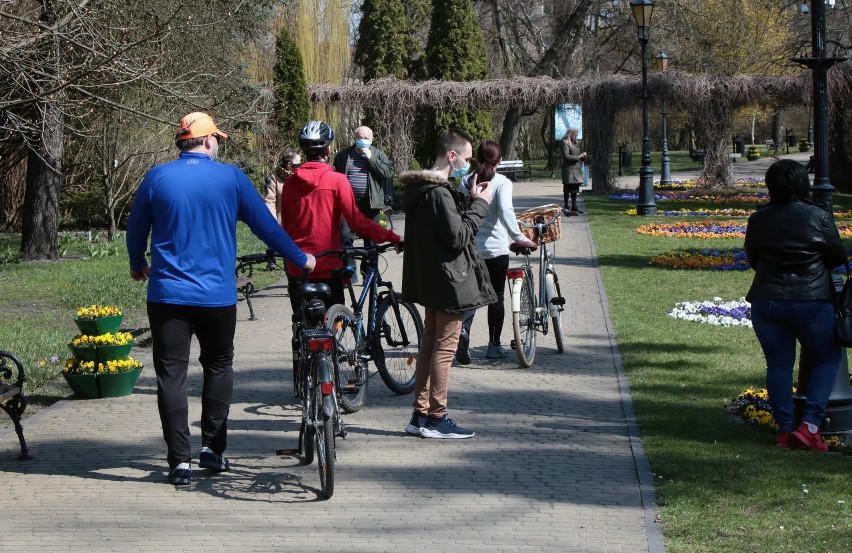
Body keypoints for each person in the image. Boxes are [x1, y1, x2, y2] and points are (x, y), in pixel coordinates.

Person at [126, 112, 316, 486]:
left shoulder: (157, 177)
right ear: (209, 140)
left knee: (171, 375)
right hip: (216, 297)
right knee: (218, 366)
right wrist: (300, 258)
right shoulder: (230, 177)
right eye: (218, 139)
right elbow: (266, 226)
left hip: (168, 295)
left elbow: (135, 228)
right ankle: (213, 450)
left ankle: (179, 462)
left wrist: (137, 263)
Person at [400, 128, 497, 439]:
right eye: (466, 159)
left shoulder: (421, 188)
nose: (468, 164)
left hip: (432, 279)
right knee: (444, 349)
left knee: (429, 346)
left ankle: (420, 415)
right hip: (449, 281)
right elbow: (458, 237)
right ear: (452, 155)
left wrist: (467, 199)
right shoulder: (438, 193)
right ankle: (436, 417)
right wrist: (480, 204)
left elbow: (445, 231)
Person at [744, 159, 846, 452]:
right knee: (827, 359)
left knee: (778, 365)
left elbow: (753, 258)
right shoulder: (818, 215)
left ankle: (786, 429)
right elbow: (837, 255)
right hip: (811, 300)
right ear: (803, 184)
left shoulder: (758, 218)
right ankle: (810, 425)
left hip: (767, 301)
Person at [280, 120, 401, 314]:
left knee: (301, 325)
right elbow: (355, 220)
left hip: (299, 266)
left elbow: (286, 226)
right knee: (335, 325)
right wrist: (392, 237)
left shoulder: (290, 184)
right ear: (327, 151)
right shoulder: (338, 180)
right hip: (329, 266)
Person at [455, 141, 537, 364]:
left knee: (471, 296)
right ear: (499, 161)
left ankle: (463, 334)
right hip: (496, 250)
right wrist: (519, 237)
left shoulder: (465, 180)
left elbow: (460, 212)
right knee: (496, 297)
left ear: (478, 158)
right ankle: (493, 345)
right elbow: (505, 211)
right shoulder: (502, 182)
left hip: (471, 248)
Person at [333, 125, 394, 278]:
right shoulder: (344, 155)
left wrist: (370, 158)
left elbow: (387, 173)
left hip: (372, 204)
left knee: (372, 240)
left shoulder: (378, 154)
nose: (362, 141)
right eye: (360, 138)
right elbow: (335, 176)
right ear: (355, 138)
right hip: (349, 204)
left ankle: (369, 272)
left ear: (372, 139)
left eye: (366, 138)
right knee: (345, 237)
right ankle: (349, 272)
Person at [264, 147, 301, 223]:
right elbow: (270, 201)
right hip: (282, 224)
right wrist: (273, 223)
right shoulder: (275, 179)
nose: (300, 164)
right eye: (298, 162)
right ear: (289, 164)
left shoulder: (300, 178)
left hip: (298, 224)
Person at [561, 128, 586, 215]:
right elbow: (566, 156)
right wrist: (579, 157)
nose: (576, 137)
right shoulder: (565, 143)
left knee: (575, 189)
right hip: (569, 169)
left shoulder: (576, 143)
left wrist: (583, 157)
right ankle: (567, 207)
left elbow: (577, 155)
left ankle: (574, 206)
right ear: (570, 134)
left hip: (576, 169)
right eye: (575, 135)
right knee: (568, 188)